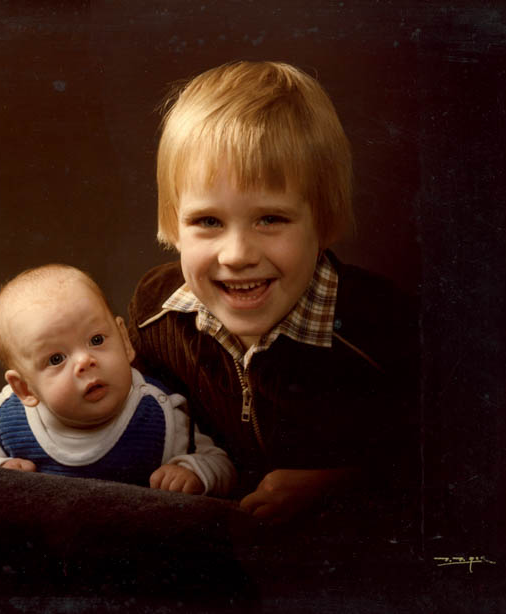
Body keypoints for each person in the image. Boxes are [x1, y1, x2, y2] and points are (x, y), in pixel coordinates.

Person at [128, 61, 419, 527]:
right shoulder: (155, 315)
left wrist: (335, 484)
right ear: (173, 223)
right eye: (208, 222)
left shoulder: (382, 329)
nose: (237, 254)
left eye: (270, 219)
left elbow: (444, 467)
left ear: (321, 221)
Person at [0, 264, 236, 496]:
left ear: (125, 341)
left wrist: (191, 472)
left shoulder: (158, 412)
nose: (85, 362)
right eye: (56, 359)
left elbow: (221, 464)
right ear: (25, 388)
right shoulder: (7, 417)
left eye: (97, 340)